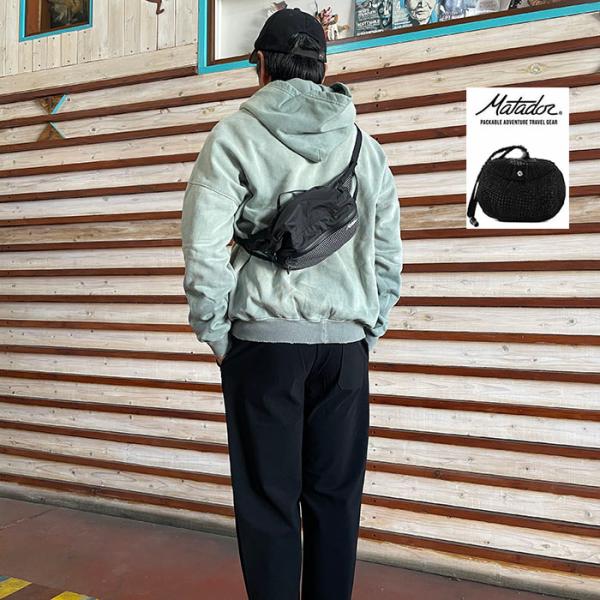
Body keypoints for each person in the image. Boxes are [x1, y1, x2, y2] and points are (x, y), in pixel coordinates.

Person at [181, 7, 402, 599]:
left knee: (267, 503)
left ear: (261, 64)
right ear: (323, 66)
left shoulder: (233, 137)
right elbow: (387, 252)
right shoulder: (365, 146)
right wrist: (368, 329)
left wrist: (218, 333)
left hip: (264, 347)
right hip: (345, 351)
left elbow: (203, 248)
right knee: (336, 502)